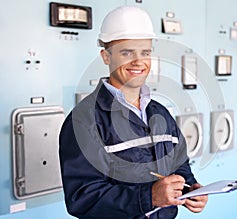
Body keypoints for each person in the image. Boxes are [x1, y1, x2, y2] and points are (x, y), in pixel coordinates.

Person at [59, 5, 208, 219]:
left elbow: (179, 165)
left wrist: (190, 189)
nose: (138, 61)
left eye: (145, 52)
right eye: (127, 52)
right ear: (106, 57)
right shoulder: (83, 121)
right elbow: (82, 198)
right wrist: (149, 197)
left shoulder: (161, 113)